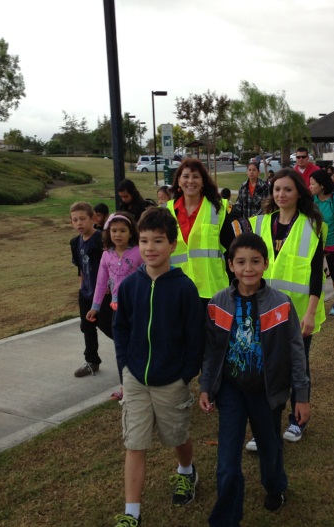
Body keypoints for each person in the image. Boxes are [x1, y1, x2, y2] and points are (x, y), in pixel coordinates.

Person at [200, 233, 310, 525]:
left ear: (265, 263)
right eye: (241, 262)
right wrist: (205, 387)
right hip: (231, 392)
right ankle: (226, 518)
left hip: (267, 391)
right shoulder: (217, 303)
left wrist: (302, 395)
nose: (248, 268)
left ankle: (275, 487)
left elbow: (296, 353)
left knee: (270, 448)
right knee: (226, 462)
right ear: (230, 265)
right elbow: (211, 352)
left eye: (255, 261)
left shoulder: (281, 304)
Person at [112, 207, 204, 527]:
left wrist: (185, 374)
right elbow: (121, 328)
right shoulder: (129, 286)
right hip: (136, 378)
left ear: (173, 245)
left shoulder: (184, 288)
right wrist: (125, 367)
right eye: (144, 241)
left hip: (171, 381)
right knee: (134, 442)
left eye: (158, 241)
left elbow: (196, 337)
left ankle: (186, 471)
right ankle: (131, 513)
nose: (150, 248)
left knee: (176, 435)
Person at [249, 168, 324, 445]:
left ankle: (297, 421)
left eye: (288, 189)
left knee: (297, 367)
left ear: (299, 193)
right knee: (264, 368)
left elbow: (317, 274)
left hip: (298, 313)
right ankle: (266, 427)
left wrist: (310, 313)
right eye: (277, 189)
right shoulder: (258, 224)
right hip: (263, 312)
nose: (281, 194)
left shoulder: (312, 225)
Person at [86, 211, 141, 399]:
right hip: (118, 310)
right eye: (114, 230)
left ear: (131, 232)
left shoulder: (140, 251)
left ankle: (141, 384)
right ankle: (125, 387)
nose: (118, 234)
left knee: (140, 346)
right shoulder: (106, 256)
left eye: (123, 230)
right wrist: (95, 306)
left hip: (139, 309)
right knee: (121, 349)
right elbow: (101, 283)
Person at [167, 158, 233, 309]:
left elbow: (232, 251)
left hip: (213, 292)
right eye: (186, 176)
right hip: (177, 290)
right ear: (178, 180)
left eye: (196, 176)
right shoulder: (165, 211)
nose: (190, 181)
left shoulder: (219, 209)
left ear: (203, 182)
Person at [69, 202, 112, 377]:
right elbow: (80, 267)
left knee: (108, 326)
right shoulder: (75, 242)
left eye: (83, 219)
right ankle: (92, 361)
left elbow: (110, 264)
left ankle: (130, 354)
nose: (79, 223)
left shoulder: (101, 239)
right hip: (86, 292)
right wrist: (81, 288)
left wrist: (109, 286)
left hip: (103, 293)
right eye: (75, 220)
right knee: (87, 326)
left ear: (93, 219)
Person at [310, 169, 334, 316]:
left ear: (322, 185)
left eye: (313, 184)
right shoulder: (311, 200)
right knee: (314, 274)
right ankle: (314, 302)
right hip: (315, 244)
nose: (310, 187)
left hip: (333, 243)